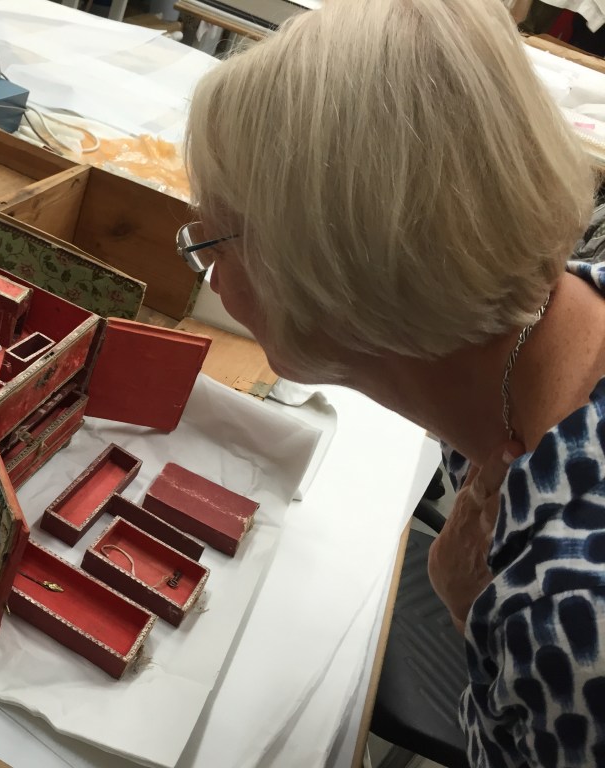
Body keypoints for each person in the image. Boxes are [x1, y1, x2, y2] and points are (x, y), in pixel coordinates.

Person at [182, 0, 605, 764]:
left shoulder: (563, 628)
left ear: (332, 282)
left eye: (213, 237)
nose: (209, 269)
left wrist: (475, 614)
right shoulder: (562, 325)